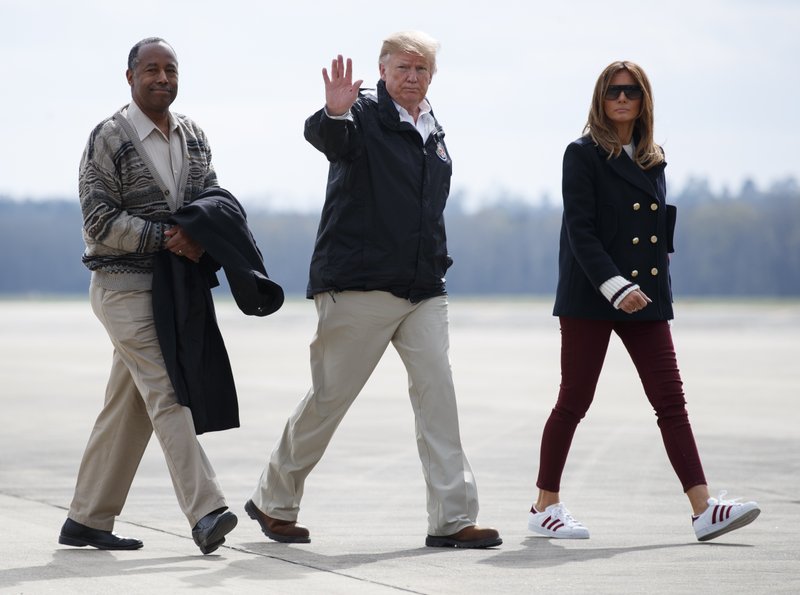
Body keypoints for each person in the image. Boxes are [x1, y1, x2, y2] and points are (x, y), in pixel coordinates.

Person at [245, 31, 501, 549]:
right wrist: (334, 113)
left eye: (422, 69)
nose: (412, 76)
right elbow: (328, 139)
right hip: (359, 286)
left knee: (439, 399)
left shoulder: (433, 128)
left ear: (432, 76)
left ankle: (452, 519)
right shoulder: (359, 116)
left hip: (423, 288)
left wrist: (436, 263)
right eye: (403, 67)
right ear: (382, 70)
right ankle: (274, 499)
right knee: (329, 398)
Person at [527, 61, 760, 542]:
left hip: (646, 299)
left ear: (643, 100)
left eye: (631, 92)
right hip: (593, 295)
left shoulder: (653, 159)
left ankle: (703, 509)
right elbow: (581, 231)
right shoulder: (581, 154)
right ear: (600, 98)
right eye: (613, 91)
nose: (622, 99)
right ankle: (544, 506)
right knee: (574, 400)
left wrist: (652, 293)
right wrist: (616, 286)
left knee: (671, 401)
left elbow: (655, 237)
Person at [58, 37, 238, 554]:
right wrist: (166, 237)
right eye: (151, 69)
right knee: (167, 390)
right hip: (123, 286)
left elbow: (211, 199)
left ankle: (86, 519)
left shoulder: (195, 137)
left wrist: (200, 234)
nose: (162, 78)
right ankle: (206, 511)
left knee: (130, 403)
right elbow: (98, 221)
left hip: (174, 288)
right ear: (130, 76)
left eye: (171, 70)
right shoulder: (109, 138)